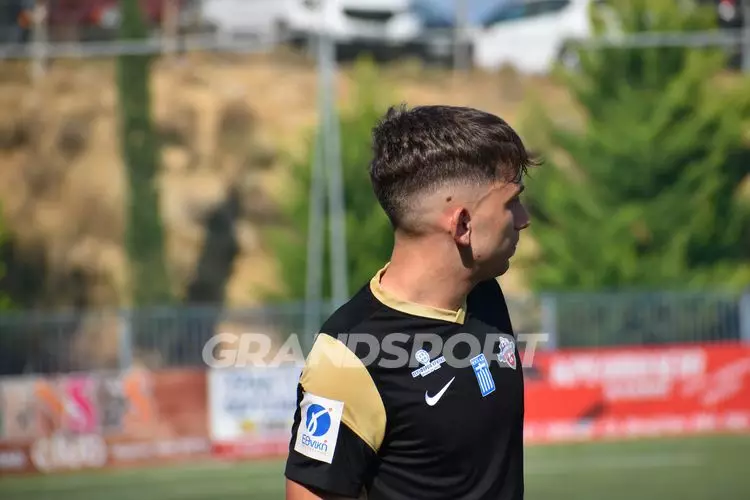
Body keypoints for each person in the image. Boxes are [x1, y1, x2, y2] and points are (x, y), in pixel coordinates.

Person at [284, 104, 538, 500]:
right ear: (463, 224)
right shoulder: (346, 358)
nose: (523, 219)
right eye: (511, 203)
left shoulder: (484, 294)